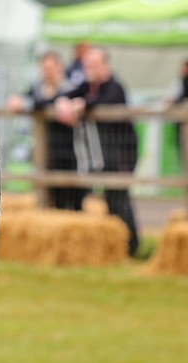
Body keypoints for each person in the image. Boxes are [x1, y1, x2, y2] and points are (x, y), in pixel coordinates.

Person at [56, 47, 140, 255]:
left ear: (105, 66)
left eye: (94, 64)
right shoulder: (88, 86)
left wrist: (82, 104)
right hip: (101, 155)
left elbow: (105, 102)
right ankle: (116, 247)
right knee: (106, 199)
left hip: (121, 153)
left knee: (119, 199)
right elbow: (65, 95)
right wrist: (63, 102)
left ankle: (131, 246)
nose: (89, 68)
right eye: (87, 65)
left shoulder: (114, 86)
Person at [7, 52, 85, 210]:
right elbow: (26, 99)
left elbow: (45, 102)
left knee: (72, 195)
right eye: (44, 68)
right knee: (49, 195)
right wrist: (17, 101)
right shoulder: (37, 87)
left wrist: (26, 104)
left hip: (69, 149)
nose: (47, 71)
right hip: (45, 148)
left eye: (50, 67)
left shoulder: (70, 88)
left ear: (59, 68)